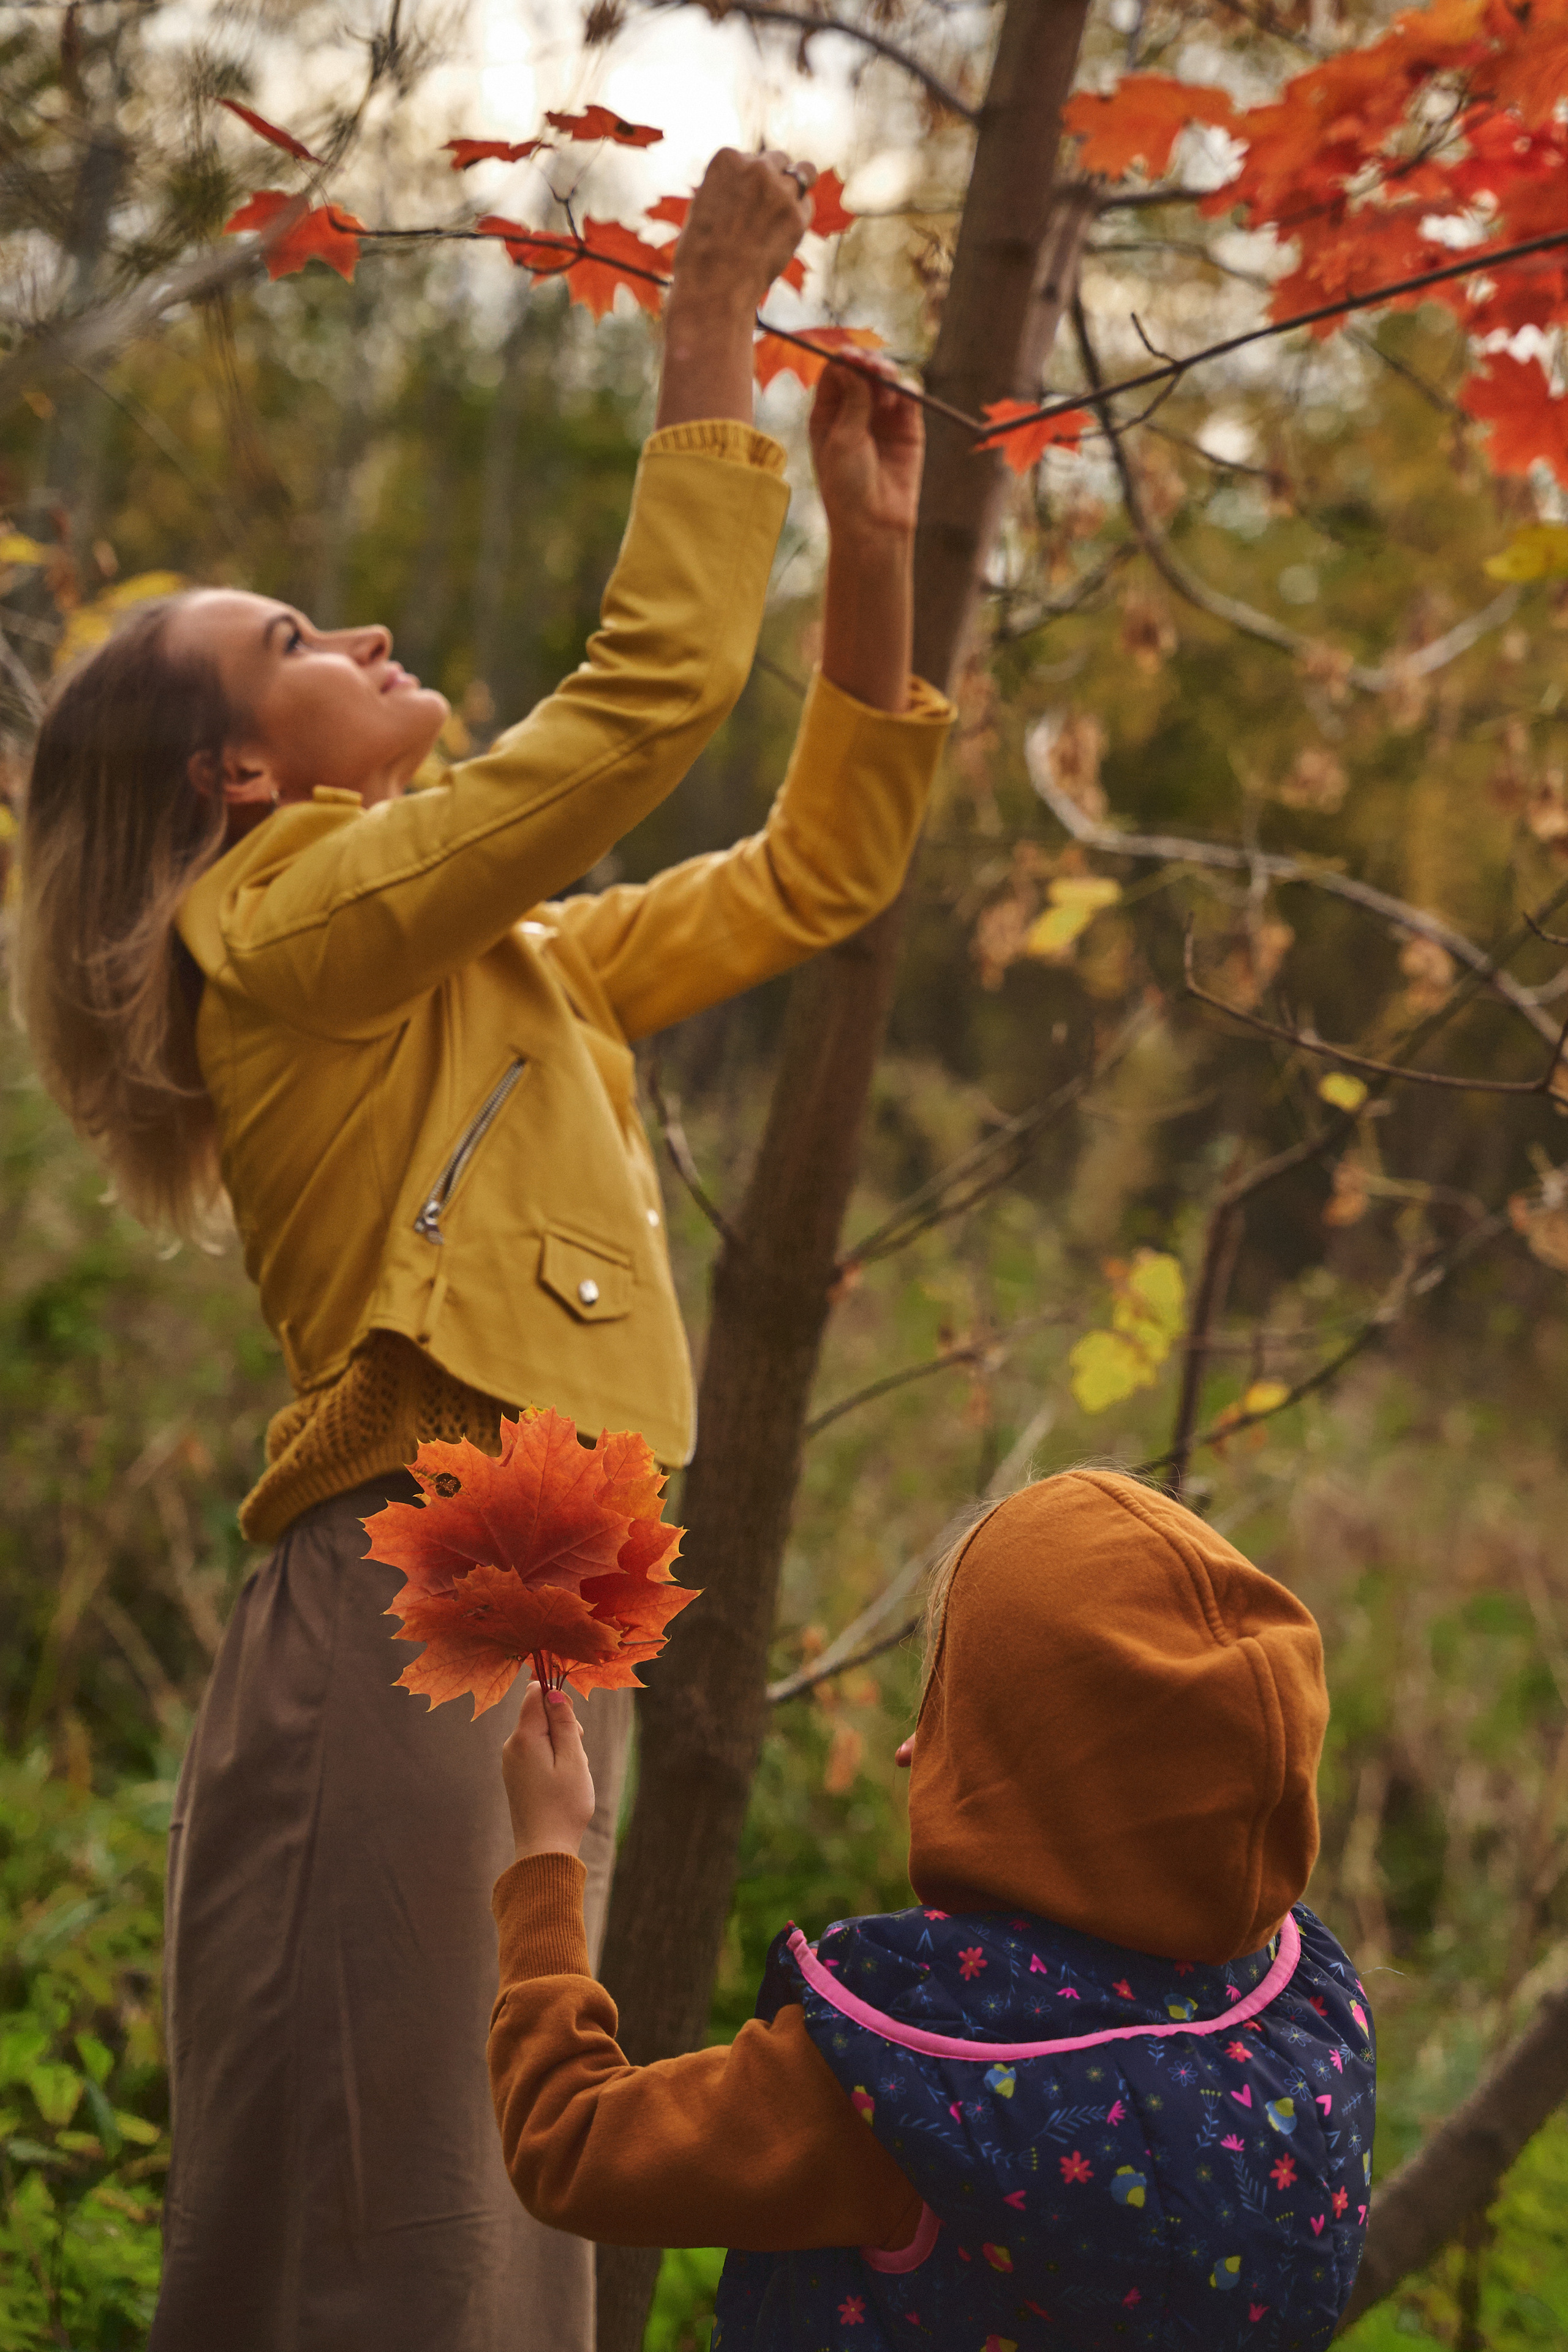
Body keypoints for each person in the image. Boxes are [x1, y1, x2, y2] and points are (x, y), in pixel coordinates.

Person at [16, 148, 954, 2352]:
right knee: (399, 2231)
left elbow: (812, 877)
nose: (351, 632)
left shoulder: (484, 959)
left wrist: (878, 553)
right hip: (395, 1603)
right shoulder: (295, 933)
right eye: (289, 645)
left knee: (510, 2213)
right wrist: (702, 338)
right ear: (240, 783)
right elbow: (637, 717)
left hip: (520, 1613)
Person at [489, 1468, 1378, 2352]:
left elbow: (568, 2141)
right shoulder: (1307, 2024)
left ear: (1031, 1783)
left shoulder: (902, 2089)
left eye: (957, 1713)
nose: (916, 1745)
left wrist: (547, 1855)